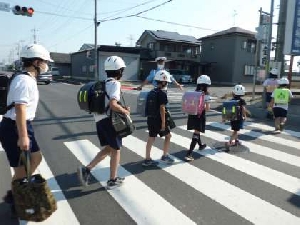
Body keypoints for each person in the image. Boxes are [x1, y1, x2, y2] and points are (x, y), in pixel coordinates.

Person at [0, 44, 53, 212]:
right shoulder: (24, 80)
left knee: (35, 158)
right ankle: (16, 199)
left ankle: (16, 192)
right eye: (44, 62)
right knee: (22, 167)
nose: (46, 65)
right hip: (14, 127)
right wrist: (23, 136)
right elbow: (20, 108)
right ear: (36, 62)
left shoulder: (26, 78)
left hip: (22, 125)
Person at [77, 56, 130, 189]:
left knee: (108, 148)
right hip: (109, 122)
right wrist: (125, 112)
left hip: (99, 121)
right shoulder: (115, 84)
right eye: (122, 70)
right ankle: (112, 180)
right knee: (116, 150)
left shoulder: (101, 83)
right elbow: (112, 104)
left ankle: (87, 169)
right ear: (119, 71)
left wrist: (121, 108)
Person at [142, 70, 175, 166]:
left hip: (150, 118)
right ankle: (164, 156)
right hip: (159, 119)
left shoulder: (151, 91)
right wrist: (164, 124)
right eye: (167, 82)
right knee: (168, 136)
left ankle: (147, 158)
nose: (167, 83)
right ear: (164, 81)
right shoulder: (162, 93)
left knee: (151, 137)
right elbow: (162, 108)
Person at [185, 75, 211, 161]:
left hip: (192, 114)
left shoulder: (193, 92)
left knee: (197, 130)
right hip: (200, 115)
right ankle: (189, 153)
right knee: (196, 132)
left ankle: (200, 145)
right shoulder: (206, 95)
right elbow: (207, 108)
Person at [225, 84, 247, 152]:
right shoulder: (242, 101)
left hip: (232, 118)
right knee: (235, 131)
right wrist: (245, 115)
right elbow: (243, 109)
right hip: (239, 118)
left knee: (236, 129)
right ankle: (229, 142)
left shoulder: (231, 100)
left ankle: (236, 140)